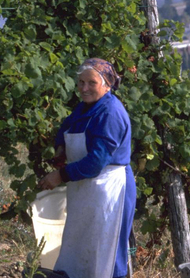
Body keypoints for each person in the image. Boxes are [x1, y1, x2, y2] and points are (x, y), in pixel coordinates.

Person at [38, 58, 136, 278]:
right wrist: (60, 147)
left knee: (107, 254)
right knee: (82, 249)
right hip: (88, 189)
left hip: (110, 190)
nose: (84, 88)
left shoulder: (110, 113)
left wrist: (60, 175)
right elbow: (68, 124)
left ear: (107, 84)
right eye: (81, 82)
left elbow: (95, 163)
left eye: (91, 83)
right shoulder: (86, 107)